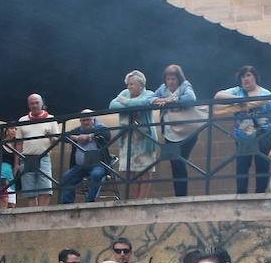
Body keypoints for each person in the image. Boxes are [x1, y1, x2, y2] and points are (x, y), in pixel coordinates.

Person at [215, 65, 271, 194]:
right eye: (242, 76)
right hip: (243, 137)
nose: (245, 79)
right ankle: (241, 195)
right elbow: (218, 96)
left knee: (262, 167)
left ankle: (260, 194)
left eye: (248, 75)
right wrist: (239, 100)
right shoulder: (237, 91)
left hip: (263, 136)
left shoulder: (266, 94)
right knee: (242, 167)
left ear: (255, 77)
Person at [153, 64, 203, 197]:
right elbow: (151, 99)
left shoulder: (185, 85)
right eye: (168, 79)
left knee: (179, 162)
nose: (170, 82)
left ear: (179, 79)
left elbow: (191, 98)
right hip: (170, 133)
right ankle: (179, 196)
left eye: (173, 79)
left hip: (188, 132)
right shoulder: (163, 88)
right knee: (175, 164)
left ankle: (182, 196)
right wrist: (160, 100)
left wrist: (173, 100)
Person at [111, 70, 159, 199]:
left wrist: (126, 103)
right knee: (128, 171)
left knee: (145, 170)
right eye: (128, 84)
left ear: (141, 85)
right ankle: (137, 199)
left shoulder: (149, 94)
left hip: (145, 138)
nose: (129, 87)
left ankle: (141, 200)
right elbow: (112, 105)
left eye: (131, 84)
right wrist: (131, 103)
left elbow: (145, 103)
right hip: (128, 138)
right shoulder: (125, 93)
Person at [59, 110, 111, 204]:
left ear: (93, 119)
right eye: (83, 120)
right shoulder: (78, 130)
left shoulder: (100, 128)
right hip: (80, 166)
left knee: (96, 175)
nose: (86, 122)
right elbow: (63, 137)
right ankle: (66, 204)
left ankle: (90, 202)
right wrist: (77, 138)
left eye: (88, 119)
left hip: (99, 164)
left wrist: (89, 137)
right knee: (67, 177)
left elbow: (106, 134)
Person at [15, 93, 57, 207]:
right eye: (32, 103)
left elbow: (57, 141)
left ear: (42, 103)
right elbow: (19, 143)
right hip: (26, 158)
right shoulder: (22, 120)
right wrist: (17, 163)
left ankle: (42, 215)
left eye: (37, 102)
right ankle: (33, 214)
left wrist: (51, 136)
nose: (34, 105)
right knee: (29, 192)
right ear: (28, 105)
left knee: (46, 189)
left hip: (43, 157)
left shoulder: (51, 118)